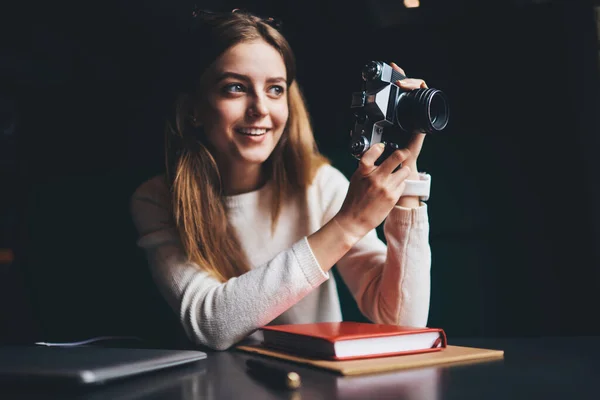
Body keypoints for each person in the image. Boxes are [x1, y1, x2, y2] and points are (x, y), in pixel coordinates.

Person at [130, 9, 432, 351]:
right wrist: (348, 225)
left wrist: (406, 181)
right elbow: (210, 323)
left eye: (275, 89)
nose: (260, 108)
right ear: (194, 109)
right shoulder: (157, 199)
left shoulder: (321, 187)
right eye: (235, 88)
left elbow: (402, 324)